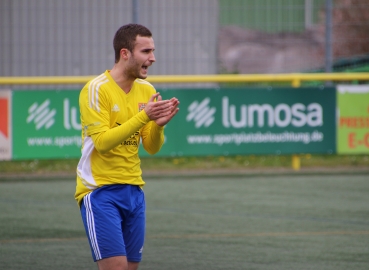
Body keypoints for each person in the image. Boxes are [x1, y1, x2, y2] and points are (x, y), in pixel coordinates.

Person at [75, 24, 179, 270]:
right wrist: (145, 117)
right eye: (145, 51)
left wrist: (159, 126)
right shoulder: (96, 89)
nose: (152, 58)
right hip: (99, 191)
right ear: (125, 54)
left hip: (134, 191)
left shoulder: (147, 90)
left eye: (152, 51)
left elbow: (152, 147)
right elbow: (102, 143)